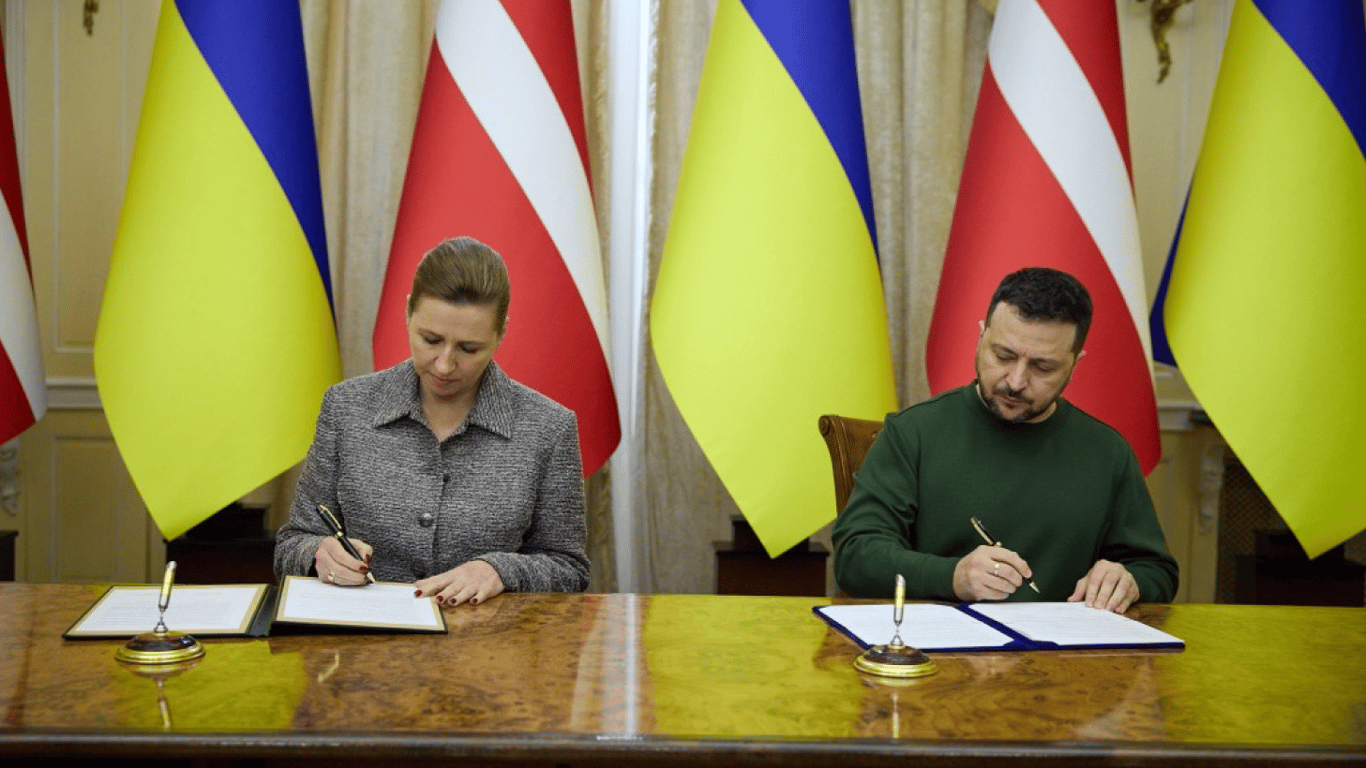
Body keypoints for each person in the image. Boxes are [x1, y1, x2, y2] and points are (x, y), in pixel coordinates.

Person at [833, 267, 1177, 613]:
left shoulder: (1107, 452)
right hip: (938, 642)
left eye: (1042, 367)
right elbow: (855, 556)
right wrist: (953, 577)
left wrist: (1127, 580)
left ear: (1075, 364)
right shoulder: (913, 433)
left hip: (1062, 645)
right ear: (981, 337)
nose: (1015, 381)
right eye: (1003, 356)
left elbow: (1157, 571)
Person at [274, 236, 589, 605]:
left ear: (501, 333)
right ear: (409, 312)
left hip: (489, 637)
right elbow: (292, 544)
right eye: (431, 339)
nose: (444, 364)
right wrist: (319, 554)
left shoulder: (549, 428)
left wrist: (500, 570)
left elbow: (569, 569)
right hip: (363, 635)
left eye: (469, 349)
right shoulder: (346, 407)